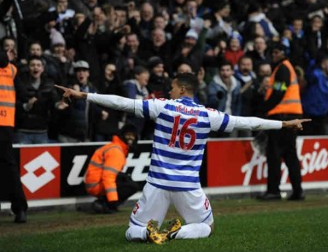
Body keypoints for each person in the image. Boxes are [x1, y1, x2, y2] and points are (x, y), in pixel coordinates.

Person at [56, 72, 310, 244]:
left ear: (182, 88)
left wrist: (85, 95)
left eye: (173, 86)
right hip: (187, 185)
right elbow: (248, 122)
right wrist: (284, 124)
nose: (170, 88)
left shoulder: (163, 106)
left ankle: (147, 233)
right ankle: (177, 233)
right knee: (207, 226)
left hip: (156, 183)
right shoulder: (208, 115)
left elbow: (122, 103)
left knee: (131, 230)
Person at [258, 43, 305, 201]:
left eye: (276, 52)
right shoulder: (287, 67)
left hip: (281, 117)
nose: (274, 55)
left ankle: (273, 191)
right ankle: (298, 191)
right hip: (291, 116)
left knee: (274, 154)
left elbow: (279, 92)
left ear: (282, 53)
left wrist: (263, 109)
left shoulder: (282, 68)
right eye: (273, 52)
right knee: (291, 155)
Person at [85, 124, 140, 214]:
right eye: (128, 135)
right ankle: (105, 204)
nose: (130, 138)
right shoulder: (116, 151)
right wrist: (112, 200)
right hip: (96, 185)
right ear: (122, 135)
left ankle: (105, 203)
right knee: (131, 186)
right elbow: (108, 177)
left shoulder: (116, 147)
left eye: (133, 135)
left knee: (125, 179)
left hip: (95, 182)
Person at [0, 50, 28, 223]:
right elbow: (23, 94)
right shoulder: (11, 69)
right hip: (6, 124)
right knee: (9, 167)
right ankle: (20, 209)